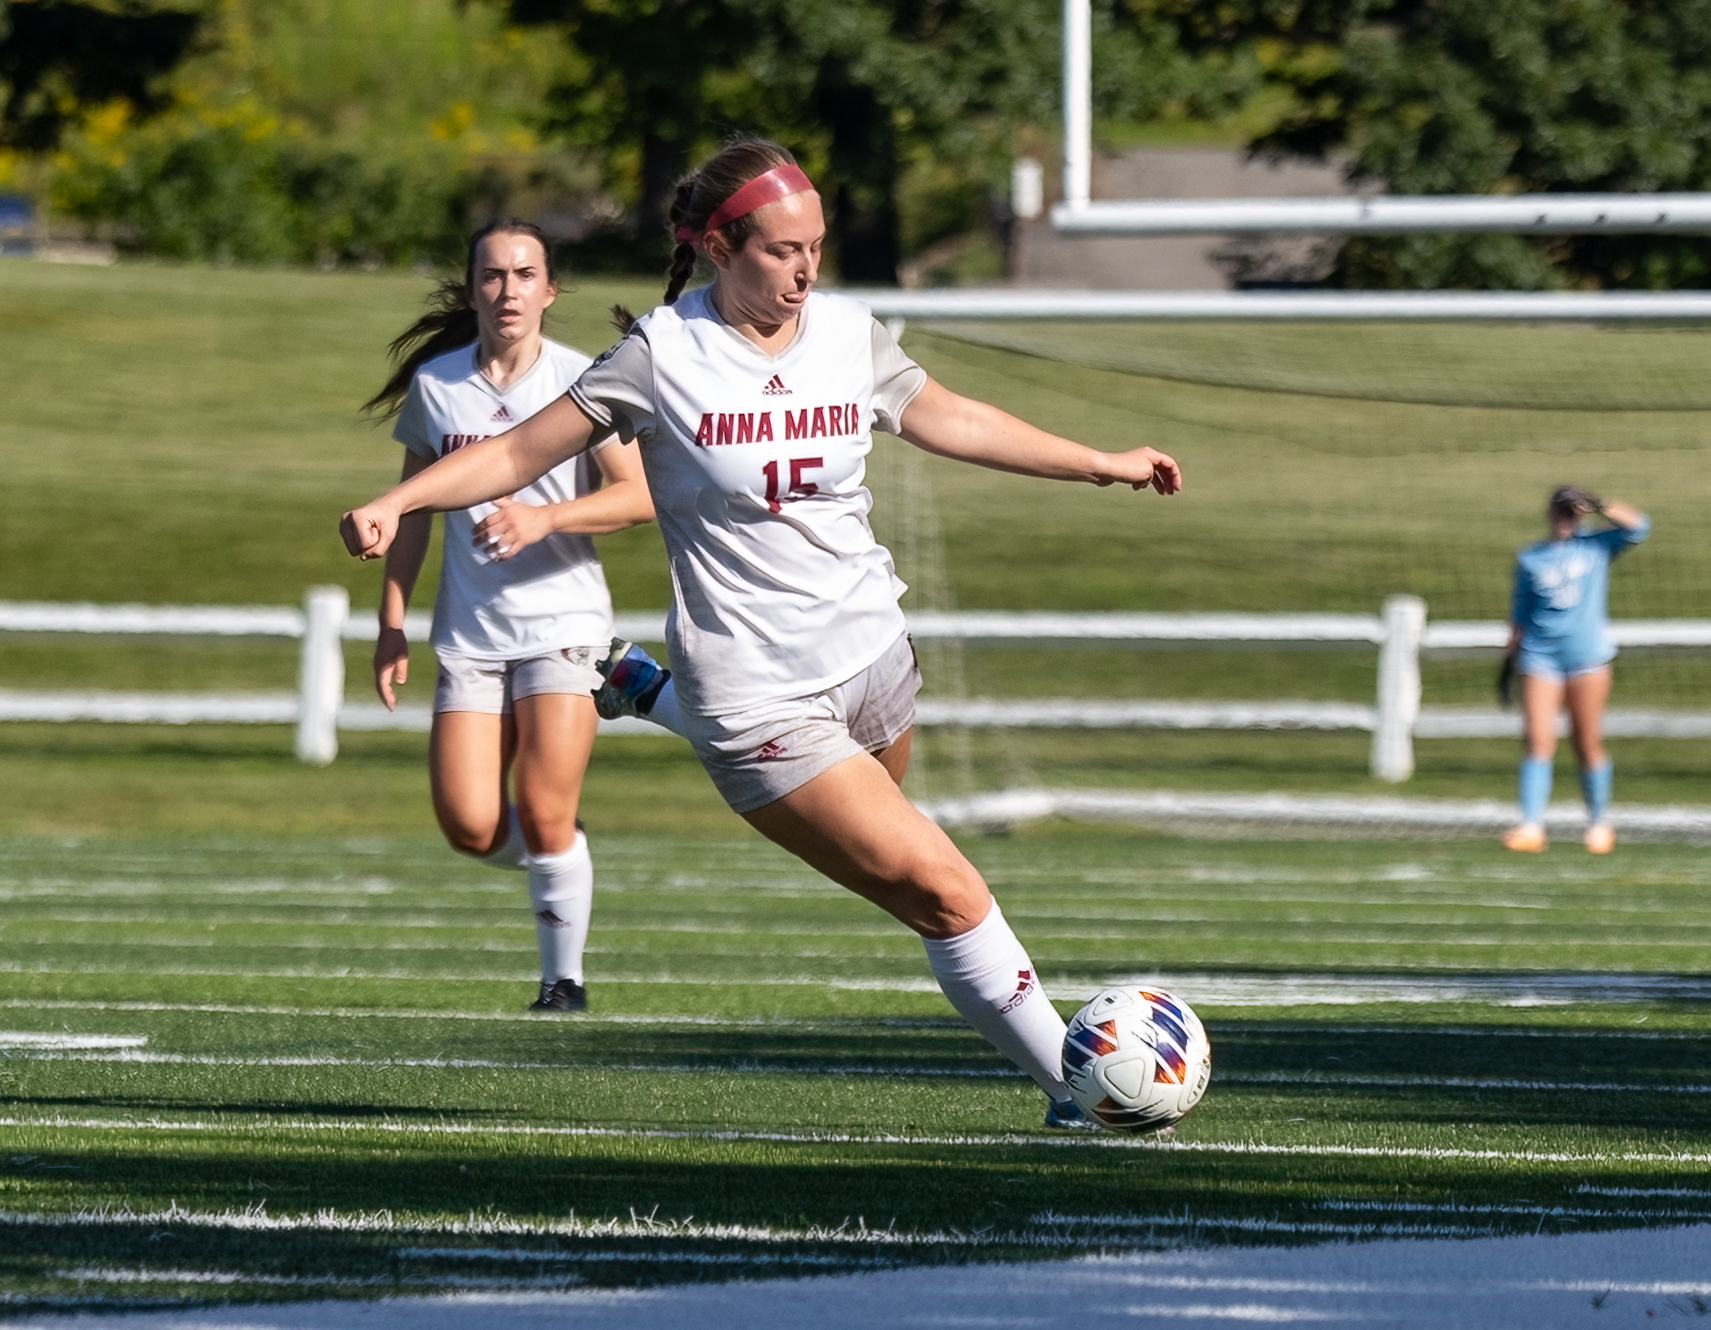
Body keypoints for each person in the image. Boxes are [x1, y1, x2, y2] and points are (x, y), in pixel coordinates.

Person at [340, 138, 1180, 1129]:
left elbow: (953, 418)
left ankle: (650, 693)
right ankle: (1082, 1093)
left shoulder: (846, 333)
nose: (808, 268)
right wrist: (402, 502)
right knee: (947, 891)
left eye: (816, 247)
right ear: (718, 247)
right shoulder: (662, 355)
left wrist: (1100, 462)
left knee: (913, 875)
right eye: (783, 250)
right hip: (756, 695)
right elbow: (519, 451)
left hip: (873, 657)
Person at [363, 218, 672, 1013]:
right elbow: (414, 511)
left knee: (541, 807)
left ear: (550, 289)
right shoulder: (438, 386)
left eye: (525, 274)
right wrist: (391, 622)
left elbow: (637, 496)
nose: (508, 290)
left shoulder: (584, 380)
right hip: (469, 634)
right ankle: (560, 858)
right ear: (471, 291)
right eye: (493, 276)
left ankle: (561, 981)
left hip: (562, 624)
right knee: (469, 825)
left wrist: (545, 519)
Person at [1501, 485, 1649, 855]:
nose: (1566, 520)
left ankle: (1599, 822)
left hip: (1586, 659)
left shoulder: (1595, 547)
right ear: (1549, 514)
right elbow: (1520, 616)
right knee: (1537, 739)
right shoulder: (1532, 558)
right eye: (1561, 512)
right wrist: (1507, 664)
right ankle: (1531, 825)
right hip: (1540, 656)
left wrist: (1599, 504)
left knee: (1586, 741)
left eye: (1572, 513)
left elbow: (1639, 527)